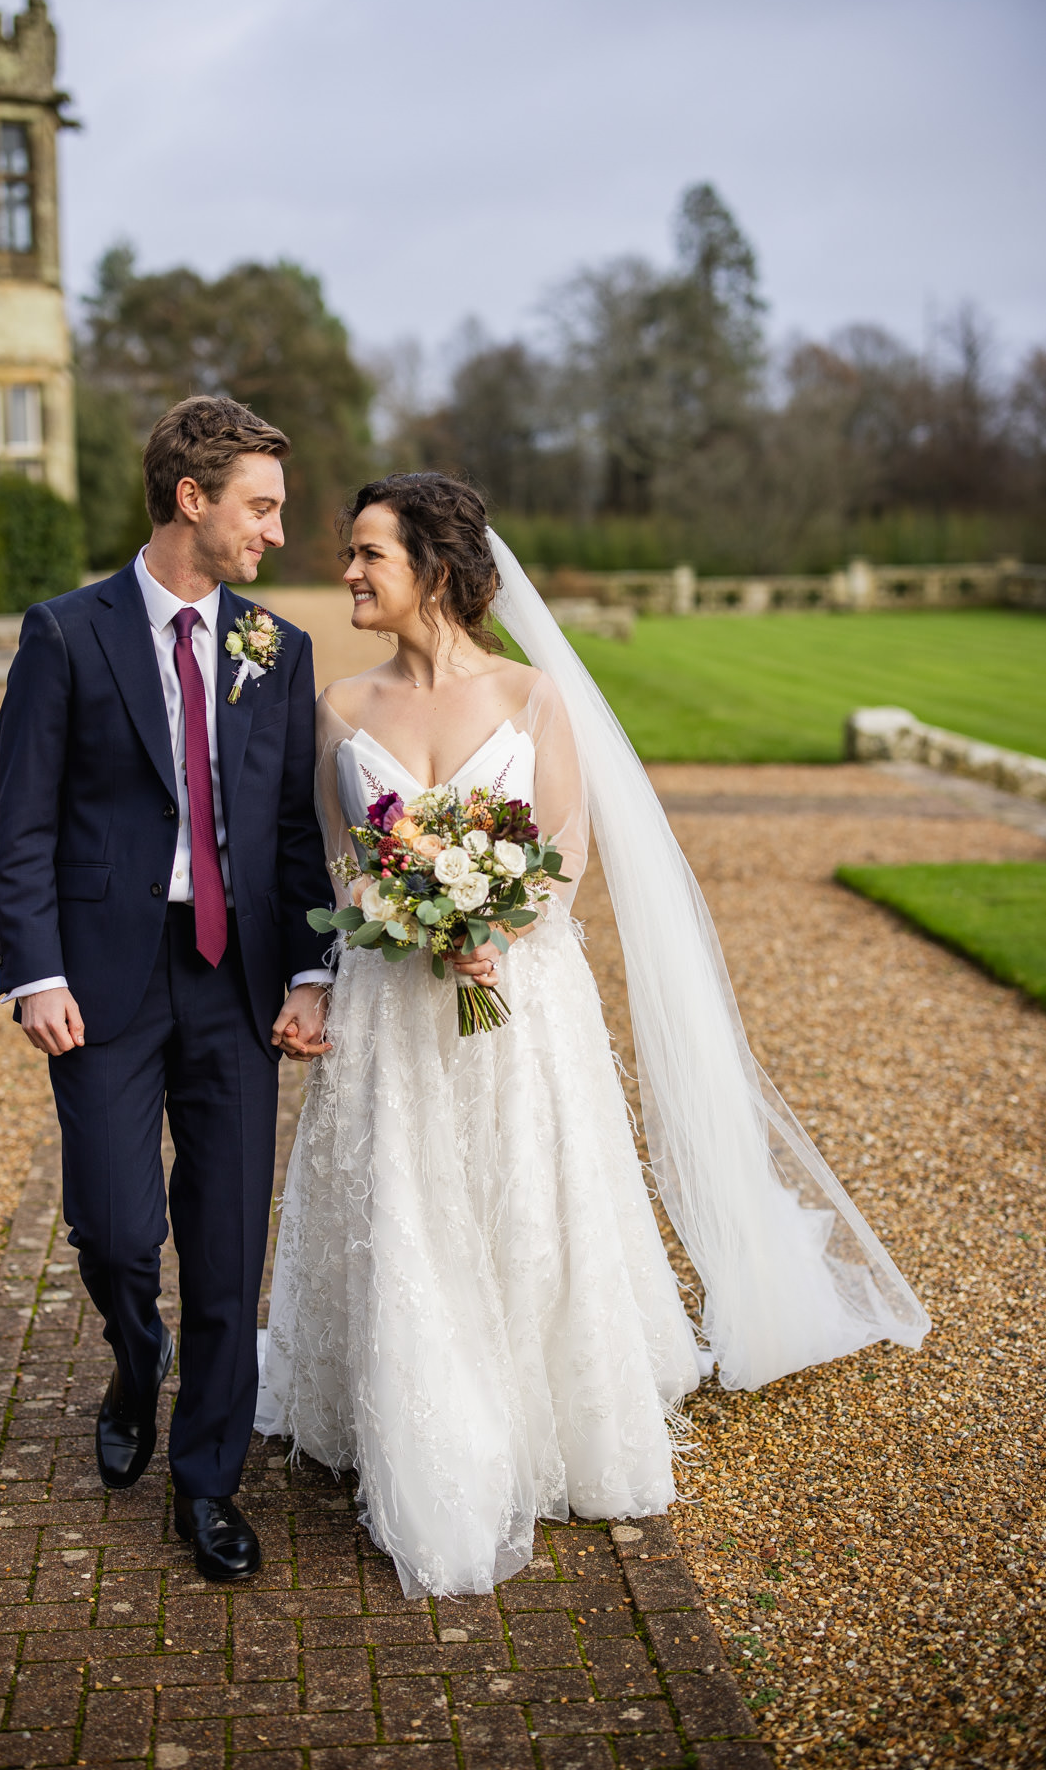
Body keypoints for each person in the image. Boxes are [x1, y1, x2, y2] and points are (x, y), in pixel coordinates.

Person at [256, 472, 930, 1599]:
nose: (349, 572)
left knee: (526, 1191)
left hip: (514, 1000)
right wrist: (371, 943)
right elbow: (338, 866)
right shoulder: (341, 709)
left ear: (434, 568)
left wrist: (493, 932)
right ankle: (417, 1409)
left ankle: (543, 1407)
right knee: (406, 1198)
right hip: (390, 1010)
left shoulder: (530, 696)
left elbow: (566, 852)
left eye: (369, 553)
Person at [0, 395, 334, 1583]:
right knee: (121, 1232)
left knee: (228, 1257)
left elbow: (296, 832)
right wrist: (32, 971)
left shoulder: (275, 652)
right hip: (100, 985)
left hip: (237, 983)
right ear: (192, 502)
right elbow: (24, 821)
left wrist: (308, 969)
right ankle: (134, 1360)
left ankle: (207, 1485)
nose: (276, 536)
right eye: (261, 509)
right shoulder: (66, 635)